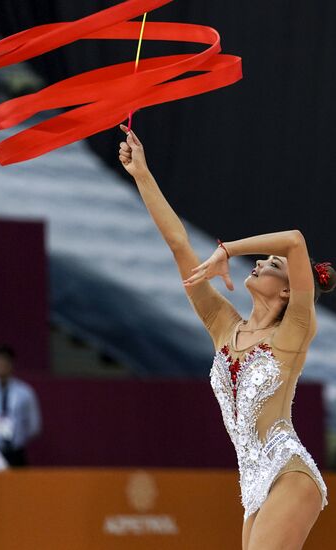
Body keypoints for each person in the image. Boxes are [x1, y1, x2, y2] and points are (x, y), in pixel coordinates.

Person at [118, 124, 335, 550]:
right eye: (262, 259)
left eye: (271, 264)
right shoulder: (223, 325)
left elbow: (294, 241)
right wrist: (142, 174)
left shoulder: (293, 331)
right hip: (251, 485)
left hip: (288, 471)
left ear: (288, 289)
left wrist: (227, 249)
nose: (260, 263)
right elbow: (180, 245)